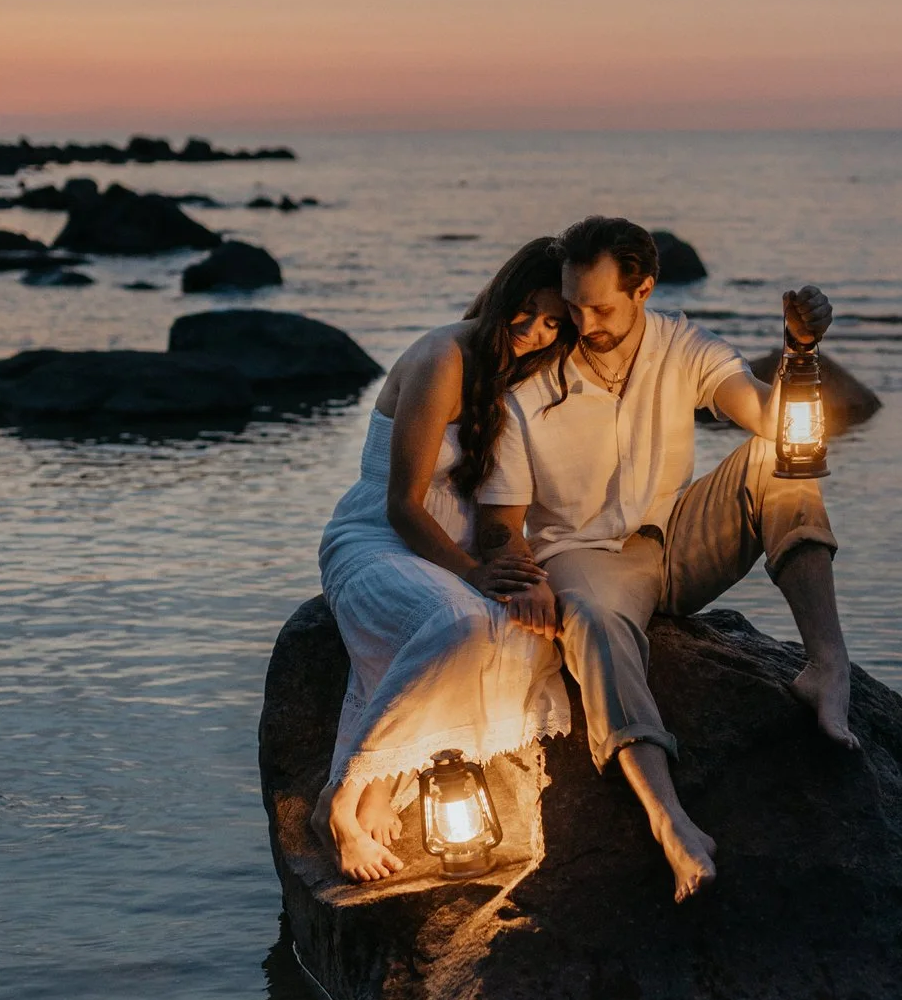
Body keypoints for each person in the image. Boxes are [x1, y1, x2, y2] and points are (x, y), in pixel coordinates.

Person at [473, 215, 856, 903]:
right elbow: (501, 524)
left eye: (601, 305)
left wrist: (799, 352)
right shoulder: (530, 382)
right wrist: (521, 574)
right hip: (585, 559)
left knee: (781, 460)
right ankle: (670, 819)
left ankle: (827, 665)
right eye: (573, 303)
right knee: (589, 616)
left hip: (677, 540)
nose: (582, 321)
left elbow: (766, 415)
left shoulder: (680, 344)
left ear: (644, 287)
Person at [316, 239, 575, 883]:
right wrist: (474, 575)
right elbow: (404, 504)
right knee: (457, 624)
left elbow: (504, 508)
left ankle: (391, 776)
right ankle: (343, 804)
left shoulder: (521, 371)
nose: (533, 332)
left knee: (531, 628)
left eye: (553, 323)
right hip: (378, 541)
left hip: (456, 554)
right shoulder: (444, 357)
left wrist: (522, 573)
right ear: (504, 292)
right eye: (527, 310)